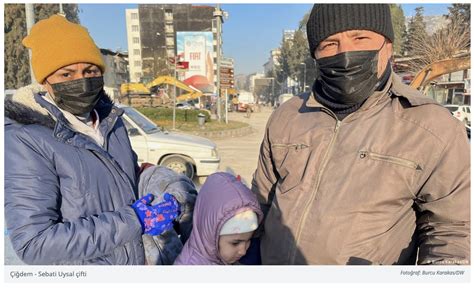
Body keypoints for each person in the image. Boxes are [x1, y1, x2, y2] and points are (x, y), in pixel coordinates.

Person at [252, 4, 470, 265]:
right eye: (330, 44)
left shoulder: (433, 128)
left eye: (360, 38)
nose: (345, 53)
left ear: (388, 46)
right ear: (315, 55)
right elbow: (260, 202)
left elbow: (452, 233)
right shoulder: (287, 115)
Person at [4, 15, 181, 265]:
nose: (82, 80)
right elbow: (34, 244)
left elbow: (121, 182)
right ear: (46, 81)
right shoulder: (25, 139)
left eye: (90, 70)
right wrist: (133, 221)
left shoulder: (112, 121)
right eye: (66, 74)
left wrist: (157, 183)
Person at [174, 172, 263, 265]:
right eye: (235, 243)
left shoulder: (222, 257)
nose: (243, 251)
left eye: (249, 240)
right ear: (210, 235)